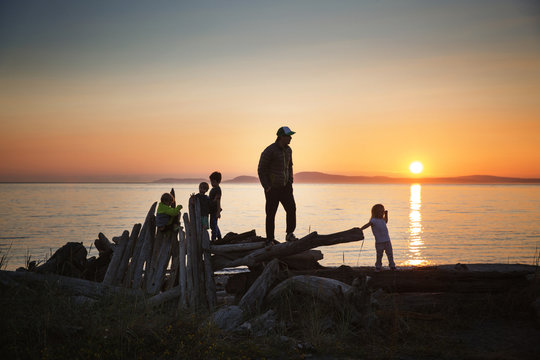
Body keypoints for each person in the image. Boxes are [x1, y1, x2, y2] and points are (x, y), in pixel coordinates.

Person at [258, 126, 297, 245]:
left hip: (285, 187)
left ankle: (289, 234)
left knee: (291, 209)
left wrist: (290, 180)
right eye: (288, 136)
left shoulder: (289, 150)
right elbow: (261, 169)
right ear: (281, 137)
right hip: (272, 188)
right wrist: (267, 186)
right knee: (271, 214)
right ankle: (270, 239)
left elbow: (290, 166)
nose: (290, 138)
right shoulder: (270, 150)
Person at [360, 204, 396, 271]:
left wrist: (386, 214)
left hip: (387, 240)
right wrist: (360, 229)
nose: (382, 213)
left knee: (390, 254)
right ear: (376, 212)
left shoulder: (382, 220)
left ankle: (392, 266)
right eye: (381, 211)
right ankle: (378, 267)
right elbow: (367, 225)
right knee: (379, 255)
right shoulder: (373, 220)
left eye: (383, 211)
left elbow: (386, 221)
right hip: (379, 242)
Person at [209, 171, 222, 241]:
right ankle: (219, 237)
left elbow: (218, 200)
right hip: (212, 210)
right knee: (213, 224)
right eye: (211, 181)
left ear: (217, 181)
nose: (211, 183)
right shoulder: (214, 189)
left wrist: (218, 211)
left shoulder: (217, 190)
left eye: (212, 181)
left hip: (215, 210)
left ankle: (213, 239)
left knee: (213, 225)